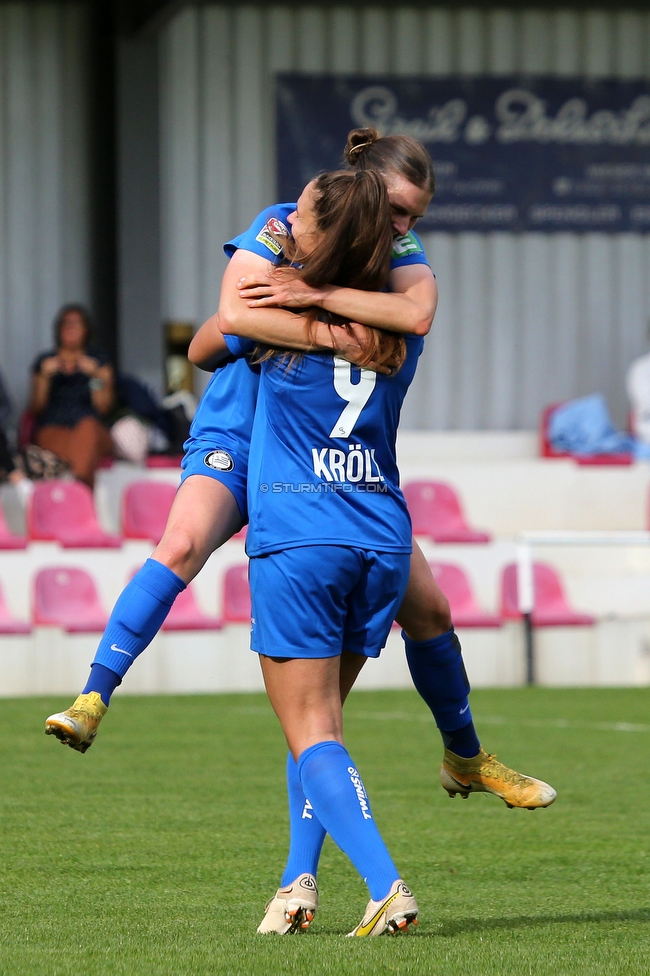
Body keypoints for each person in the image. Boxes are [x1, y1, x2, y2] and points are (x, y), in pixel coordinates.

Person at [45, 130, 555, 822]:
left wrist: (316, 298)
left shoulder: (390, 253)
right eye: (400, 211)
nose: (408, 231)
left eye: (416, 218)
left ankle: (461, 758)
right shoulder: (285, 222)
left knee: (426, 614)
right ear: (365, 192)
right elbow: (222, 326)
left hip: (326, 462)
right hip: (242, 436)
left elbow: (420, 312)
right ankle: (93, 696)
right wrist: (319, 320)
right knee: (182, 546)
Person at [222, 167, 420, 935]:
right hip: (379, 536)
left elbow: (216, 331)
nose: (286, 219)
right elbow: (414, 306)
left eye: (300, 213)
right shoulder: (396, 326)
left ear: (326, 233)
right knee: (319, 726)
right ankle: (297, 883)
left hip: (302, 533)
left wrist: (279, 274)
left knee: (311, 731)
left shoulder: (272, 306)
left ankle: (384, 887)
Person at [30, 304, 114, 488]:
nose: (70, 329)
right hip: (55, 428)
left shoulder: (98, 360)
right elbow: (36, 408)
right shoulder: (45, 361)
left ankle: (78, 486)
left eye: (76, 324)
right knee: (83, 452)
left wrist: (95, 377)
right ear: (59, 329)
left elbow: (104, 407)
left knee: (88, 429)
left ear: (86, 330)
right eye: (66, 324)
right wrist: (44, 378)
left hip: (90, 429)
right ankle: (83, 491)